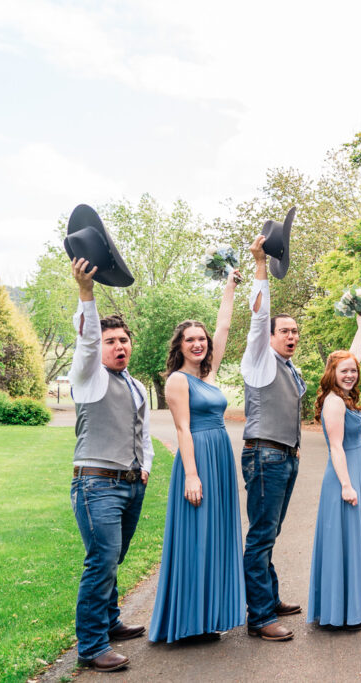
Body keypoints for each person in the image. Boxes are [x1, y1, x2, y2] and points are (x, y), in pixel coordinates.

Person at [149, 270, 245, 643]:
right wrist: (191, 474)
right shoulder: (177, 380)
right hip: (198, 460)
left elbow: (223, 327)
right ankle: (188, 622)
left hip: (219, 457)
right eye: (190, 339)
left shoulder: (209, 374)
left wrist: (230, 288)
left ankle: (208, 617)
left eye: (201, 339)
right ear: (180, 344)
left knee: (215, 535)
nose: (198, 344)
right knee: (196, 537)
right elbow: (182, 430)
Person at [67, 257, 154, 672]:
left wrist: (146, 467)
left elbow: (145, 432)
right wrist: (87, 294)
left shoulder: (135, 385)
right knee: (101, 560)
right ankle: (91, 645)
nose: (119, 346)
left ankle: (110, 620)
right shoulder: (89, 377)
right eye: (110, 341)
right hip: (96, 483)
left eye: (123, 340)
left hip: (130, 482)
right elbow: (85, 344)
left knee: (112, 557)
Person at [241, 236, 305, 642]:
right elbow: (257, 319)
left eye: (296, 331)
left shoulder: (290, 368)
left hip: (286, 457)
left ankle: (271, 596)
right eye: (285, 330)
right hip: (265, 455)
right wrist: (261, 268)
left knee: (271, 532)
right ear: (270, 335)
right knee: (261, 535)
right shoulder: (260, 361)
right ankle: (260, 617)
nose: (292, 335)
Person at [306, 314, 361, 631]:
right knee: (341, 541)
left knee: (351, 540)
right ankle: (339, 613)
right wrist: (346, 485)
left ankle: (346, 608)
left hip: (354, 471)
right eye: (344, 371)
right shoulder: (334, 402)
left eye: (353, 371)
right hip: (343, 475)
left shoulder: (345, 394)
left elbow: (352, 357)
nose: (350, 375)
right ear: (332, 373)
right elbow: (335, 447)